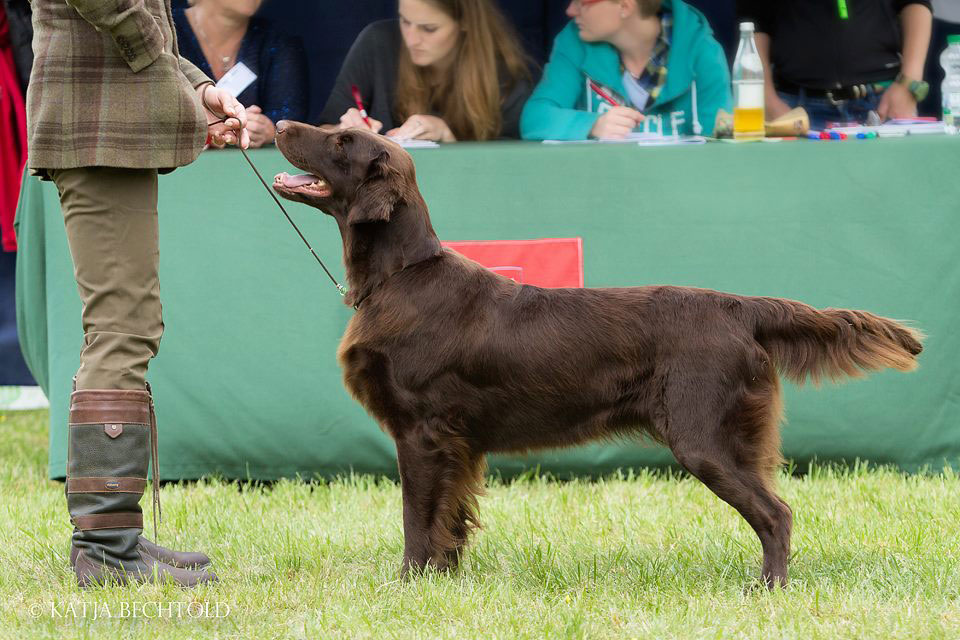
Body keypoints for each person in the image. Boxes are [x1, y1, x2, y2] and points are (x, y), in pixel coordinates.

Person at [27, 0, 248, 587]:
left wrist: (196, 87)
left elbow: (142, 17)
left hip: (106, 126)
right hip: (96, 128)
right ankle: (105, 550)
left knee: (127, 326)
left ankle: (114, 533)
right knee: (122, 330)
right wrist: (167, 77)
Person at [318, 0, 534, 142]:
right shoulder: (378, 42)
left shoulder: (506, 76)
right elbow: (321, 131)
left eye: (428, 28)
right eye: (405, 21)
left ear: (466, 23)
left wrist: (448, 136)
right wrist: (342, 132)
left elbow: (515, 165)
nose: (411, 39)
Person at [520, 0, 733, 140]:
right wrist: (593, 125)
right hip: (599, 191)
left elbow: (721, 139)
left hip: (681, 191)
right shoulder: (573, 43)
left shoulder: (701, 51)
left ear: (624, 5)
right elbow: (534, 118)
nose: (570, 10)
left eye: (582, 1)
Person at [737, 0, 934, 128]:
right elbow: (753, 23)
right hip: (796, 108)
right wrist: (768, 100)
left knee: (892, 189)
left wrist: (909, 83)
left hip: (882, 102)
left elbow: (916, 3)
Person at [174, 0, 309, 148]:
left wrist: (268, 130)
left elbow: (293, 124)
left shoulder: (278, 42)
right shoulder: (165, 34)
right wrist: (199, 130)